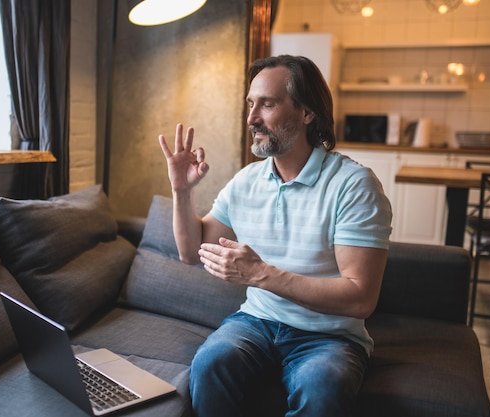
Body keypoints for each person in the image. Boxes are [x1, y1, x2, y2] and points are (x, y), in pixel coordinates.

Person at [158, 55, 392, 417]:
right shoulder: (247, 181)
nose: (252, 118)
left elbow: (360, 298)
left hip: (329, 335)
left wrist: (260, 273)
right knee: (207, 366)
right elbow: (191, 252)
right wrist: (181, 191)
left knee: (322, 386)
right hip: (256, 322)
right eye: (251, 104)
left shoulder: (353, 185)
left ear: (307, 113)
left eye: (267, 104)